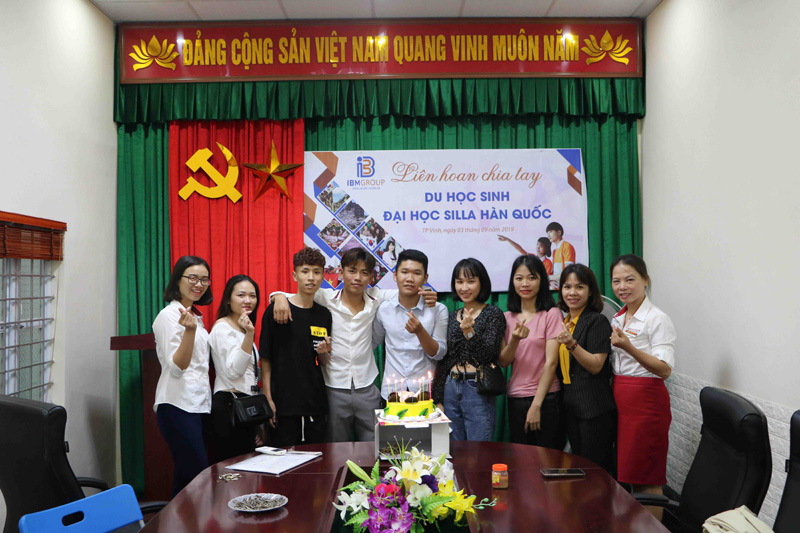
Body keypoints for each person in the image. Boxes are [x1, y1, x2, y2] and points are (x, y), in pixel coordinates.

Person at [269, 247, 437, 442]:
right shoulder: (325, 297)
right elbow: (291, 295)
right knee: (335, 446)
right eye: (352, 271)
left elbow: (407, 292)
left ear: (371, 277)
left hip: (367, 387)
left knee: (374, 445)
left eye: (364, 273)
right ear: (341, 273)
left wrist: (427, 293)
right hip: (333, 388)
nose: (357, 277)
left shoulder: (377, 297)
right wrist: (278, 297)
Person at [609, 254, 676, 520]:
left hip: (647, 403)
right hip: (623, 400)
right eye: (616, 281)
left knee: (648, 475)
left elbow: (664, 369)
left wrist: (629, 347)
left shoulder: (657, 319)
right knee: (633, 474)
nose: (622, 286)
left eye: (629, 280)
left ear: (645, 280)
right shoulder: (618, 318)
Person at [152, 255, 213, 497]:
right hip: (177, 404)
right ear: (178, 280)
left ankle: (173, 518)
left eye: (204, 280)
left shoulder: (195, 317)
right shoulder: (168, 316)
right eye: (193, 278)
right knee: (198, 476)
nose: (199, 284)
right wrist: (189, 331)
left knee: (187, 479)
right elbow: (177, 367)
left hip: (197, 405)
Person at [260, 247, 332, 447]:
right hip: (283, 404)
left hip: (315, 403)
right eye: (305, 271)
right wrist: (268, 397)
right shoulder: (277, 310)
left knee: (318, 460)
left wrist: (324, 354)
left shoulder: (324, 314)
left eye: (316, 272)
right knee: (283, 461)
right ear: (294, 275)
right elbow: (265, 357)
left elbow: (321, 360)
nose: (311, 278)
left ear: (323, 276)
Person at [432, 258, 505, 441]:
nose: (464, 287)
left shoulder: (493, 314)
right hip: (450, 386)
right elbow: (445, 360)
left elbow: (489, 355)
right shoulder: (452, 316)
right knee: (453, 449)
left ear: (482, 283)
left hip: (476, 388)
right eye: (459, 282)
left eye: (471, 281)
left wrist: (469, 333)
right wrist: (438, 398)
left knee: (479, 449)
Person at [554, 264, 616, 475]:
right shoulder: (565, 322)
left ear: (590, 291)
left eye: (579, 287)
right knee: (579, 468)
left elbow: (597, 365)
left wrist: (572, 344)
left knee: (595, 471)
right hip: (571, 405)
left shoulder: (597, 321)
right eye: (567, 287)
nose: (572, 292)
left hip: (594, 407)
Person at [498, 255, 564, 449]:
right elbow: (504, 362)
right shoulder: (506, 318)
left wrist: (536, 405)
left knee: (548, 459)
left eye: (532, 277)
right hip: (516, 398)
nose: (525, 284)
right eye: (519, 278)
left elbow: (551, 363)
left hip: (547, 398)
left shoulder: (551, 314)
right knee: (522, 459)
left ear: (542, 280)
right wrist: (515, 340)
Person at [373, 249, 448, 400]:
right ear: (395, 275)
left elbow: (439, 354)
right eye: (404, 272)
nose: (409, 278)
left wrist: (420, 331)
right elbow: (372, 343)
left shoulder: (438, 310)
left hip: (424, 392)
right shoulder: (384, 309)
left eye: (416, 273)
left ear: (425, 278)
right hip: (391, 392)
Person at [209, 275, 263, 462]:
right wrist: (250, 335)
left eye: (252, 296)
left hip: (245, 404)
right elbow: (234, 371)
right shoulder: (222, 327)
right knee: (231, 468)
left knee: (247, 467)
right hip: (229, 404)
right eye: (241, 295)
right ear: (228, 299)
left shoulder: (242, 328)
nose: (248, 300)